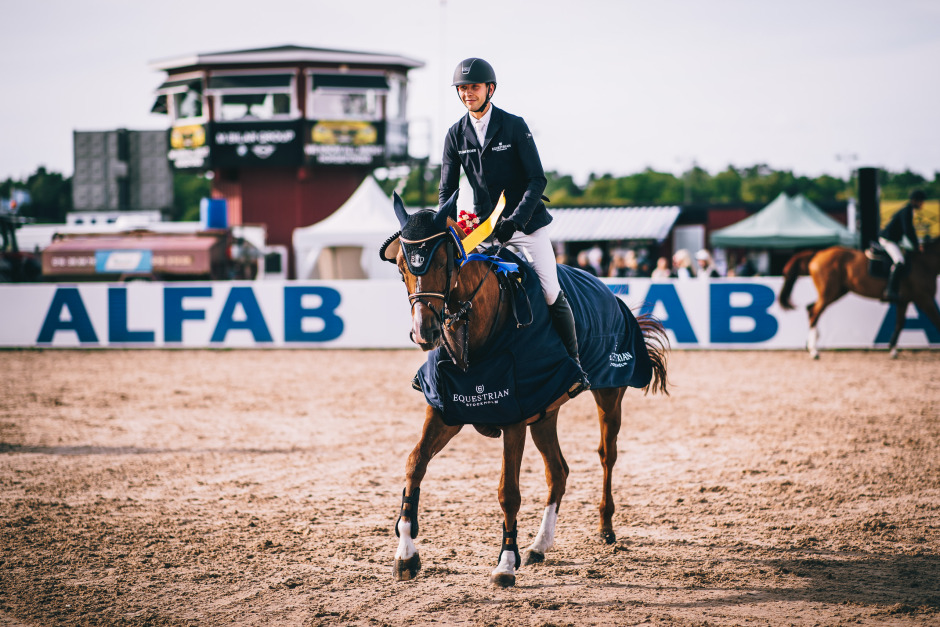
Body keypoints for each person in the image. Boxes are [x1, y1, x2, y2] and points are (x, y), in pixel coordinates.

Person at [439, 57, 588, 391]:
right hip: (484, 228)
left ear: (489, 89)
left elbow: (537, 180)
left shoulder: (514, 125)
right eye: (462, 88)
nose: (467, 93)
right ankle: (449, 367)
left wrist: (515, 221)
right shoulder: (454, 135)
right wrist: (448, 225)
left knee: (549, 290)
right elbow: (447, 191)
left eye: (474, 87)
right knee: (460, 291)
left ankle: (574, 365)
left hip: (527, 225)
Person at [879, 189, 925, 302]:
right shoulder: (907, 211)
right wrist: (916, 245)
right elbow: (908, 230)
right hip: (888, 240)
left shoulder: (909, 210)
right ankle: (890, 290)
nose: (922, 204)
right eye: (921, 201)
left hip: (895, 240)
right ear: (914, 201)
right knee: (899, 260)